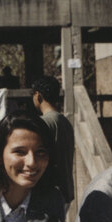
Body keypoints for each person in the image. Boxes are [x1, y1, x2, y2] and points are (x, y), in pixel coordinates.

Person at [31, 76, 75, 206]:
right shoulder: (65, 121)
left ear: (38, 96)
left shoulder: (44, 123)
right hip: (65, 190)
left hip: (50, 193)